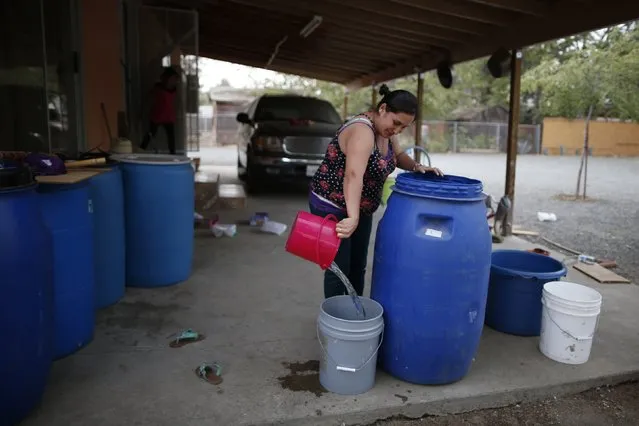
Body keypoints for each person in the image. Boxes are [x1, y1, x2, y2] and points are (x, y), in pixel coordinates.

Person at [309, 84, 444, 299]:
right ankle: (336, 323)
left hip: (360, 206)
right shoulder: (362, 131)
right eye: (396, 123)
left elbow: (398, 156)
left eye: (403, 127)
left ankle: (354, 314)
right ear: (382, 109)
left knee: (358, 266)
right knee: (338, 268)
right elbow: (353, 175)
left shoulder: (387, 130)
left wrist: (418, 166)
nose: (398, 130)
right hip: (333, 204)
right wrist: (352, 218)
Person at [140, 66, 179, 154]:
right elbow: (149, 98)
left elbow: (175, 102)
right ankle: (141, 150)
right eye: (172, 78)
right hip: (157, 115)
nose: (174, 81)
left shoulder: (174, 89)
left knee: (171, 137)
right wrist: (143, 111)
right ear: (166, 78)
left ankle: (173, 154)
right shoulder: (158, 88)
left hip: (168, 116)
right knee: (150, 134)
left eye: (175, 79)